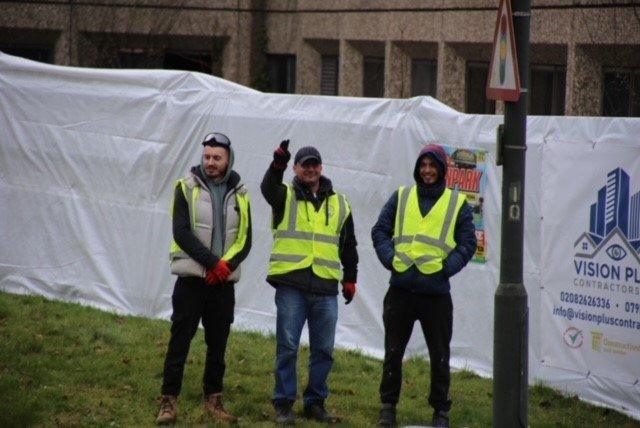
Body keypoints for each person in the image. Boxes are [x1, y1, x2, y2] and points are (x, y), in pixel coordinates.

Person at [371, 143, 476, 427]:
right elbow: (380, 230)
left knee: (440, 356)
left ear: (442, 170)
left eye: (433, 166)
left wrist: (445, 269)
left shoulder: (457, 203)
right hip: (401, 290)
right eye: (423, 165)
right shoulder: (402, 197)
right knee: (393, 352)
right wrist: (391, 259)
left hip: (436, 294)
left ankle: (441, 411)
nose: (427, 171)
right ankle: (388, 407)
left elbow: (468, 243)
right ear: (418, 168)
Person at [156, 132, 252, 425]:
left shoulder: (241, 192)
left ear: (228, 160)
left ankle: (213, 400)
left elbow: (246, 238)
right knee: (180, 341)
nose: (210, 162)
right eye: (207, 157)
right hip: (192, 281)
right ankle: (168, 402)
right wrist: (213, 264)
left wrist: (225, 266)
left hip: (222, 284)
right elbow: (181, 232)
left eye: (217, 158)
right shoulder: (185, 187)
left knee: (218, 343)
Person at [261, 140, 359, 424]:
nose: (311, 169)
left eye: (315, 164)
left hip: (326, 287)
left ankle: (315, 403)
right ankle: (284, 403)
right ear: (296, 168)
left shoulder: (340, 202)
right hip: (292, 285)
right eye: (305, 165)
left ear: (321, 167)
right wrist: (276, 165)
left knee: (324, 350)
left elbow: (348, 244)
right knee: (288, 346)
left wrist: (350, 278)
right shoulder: (284, 195)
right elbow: (267, 188)